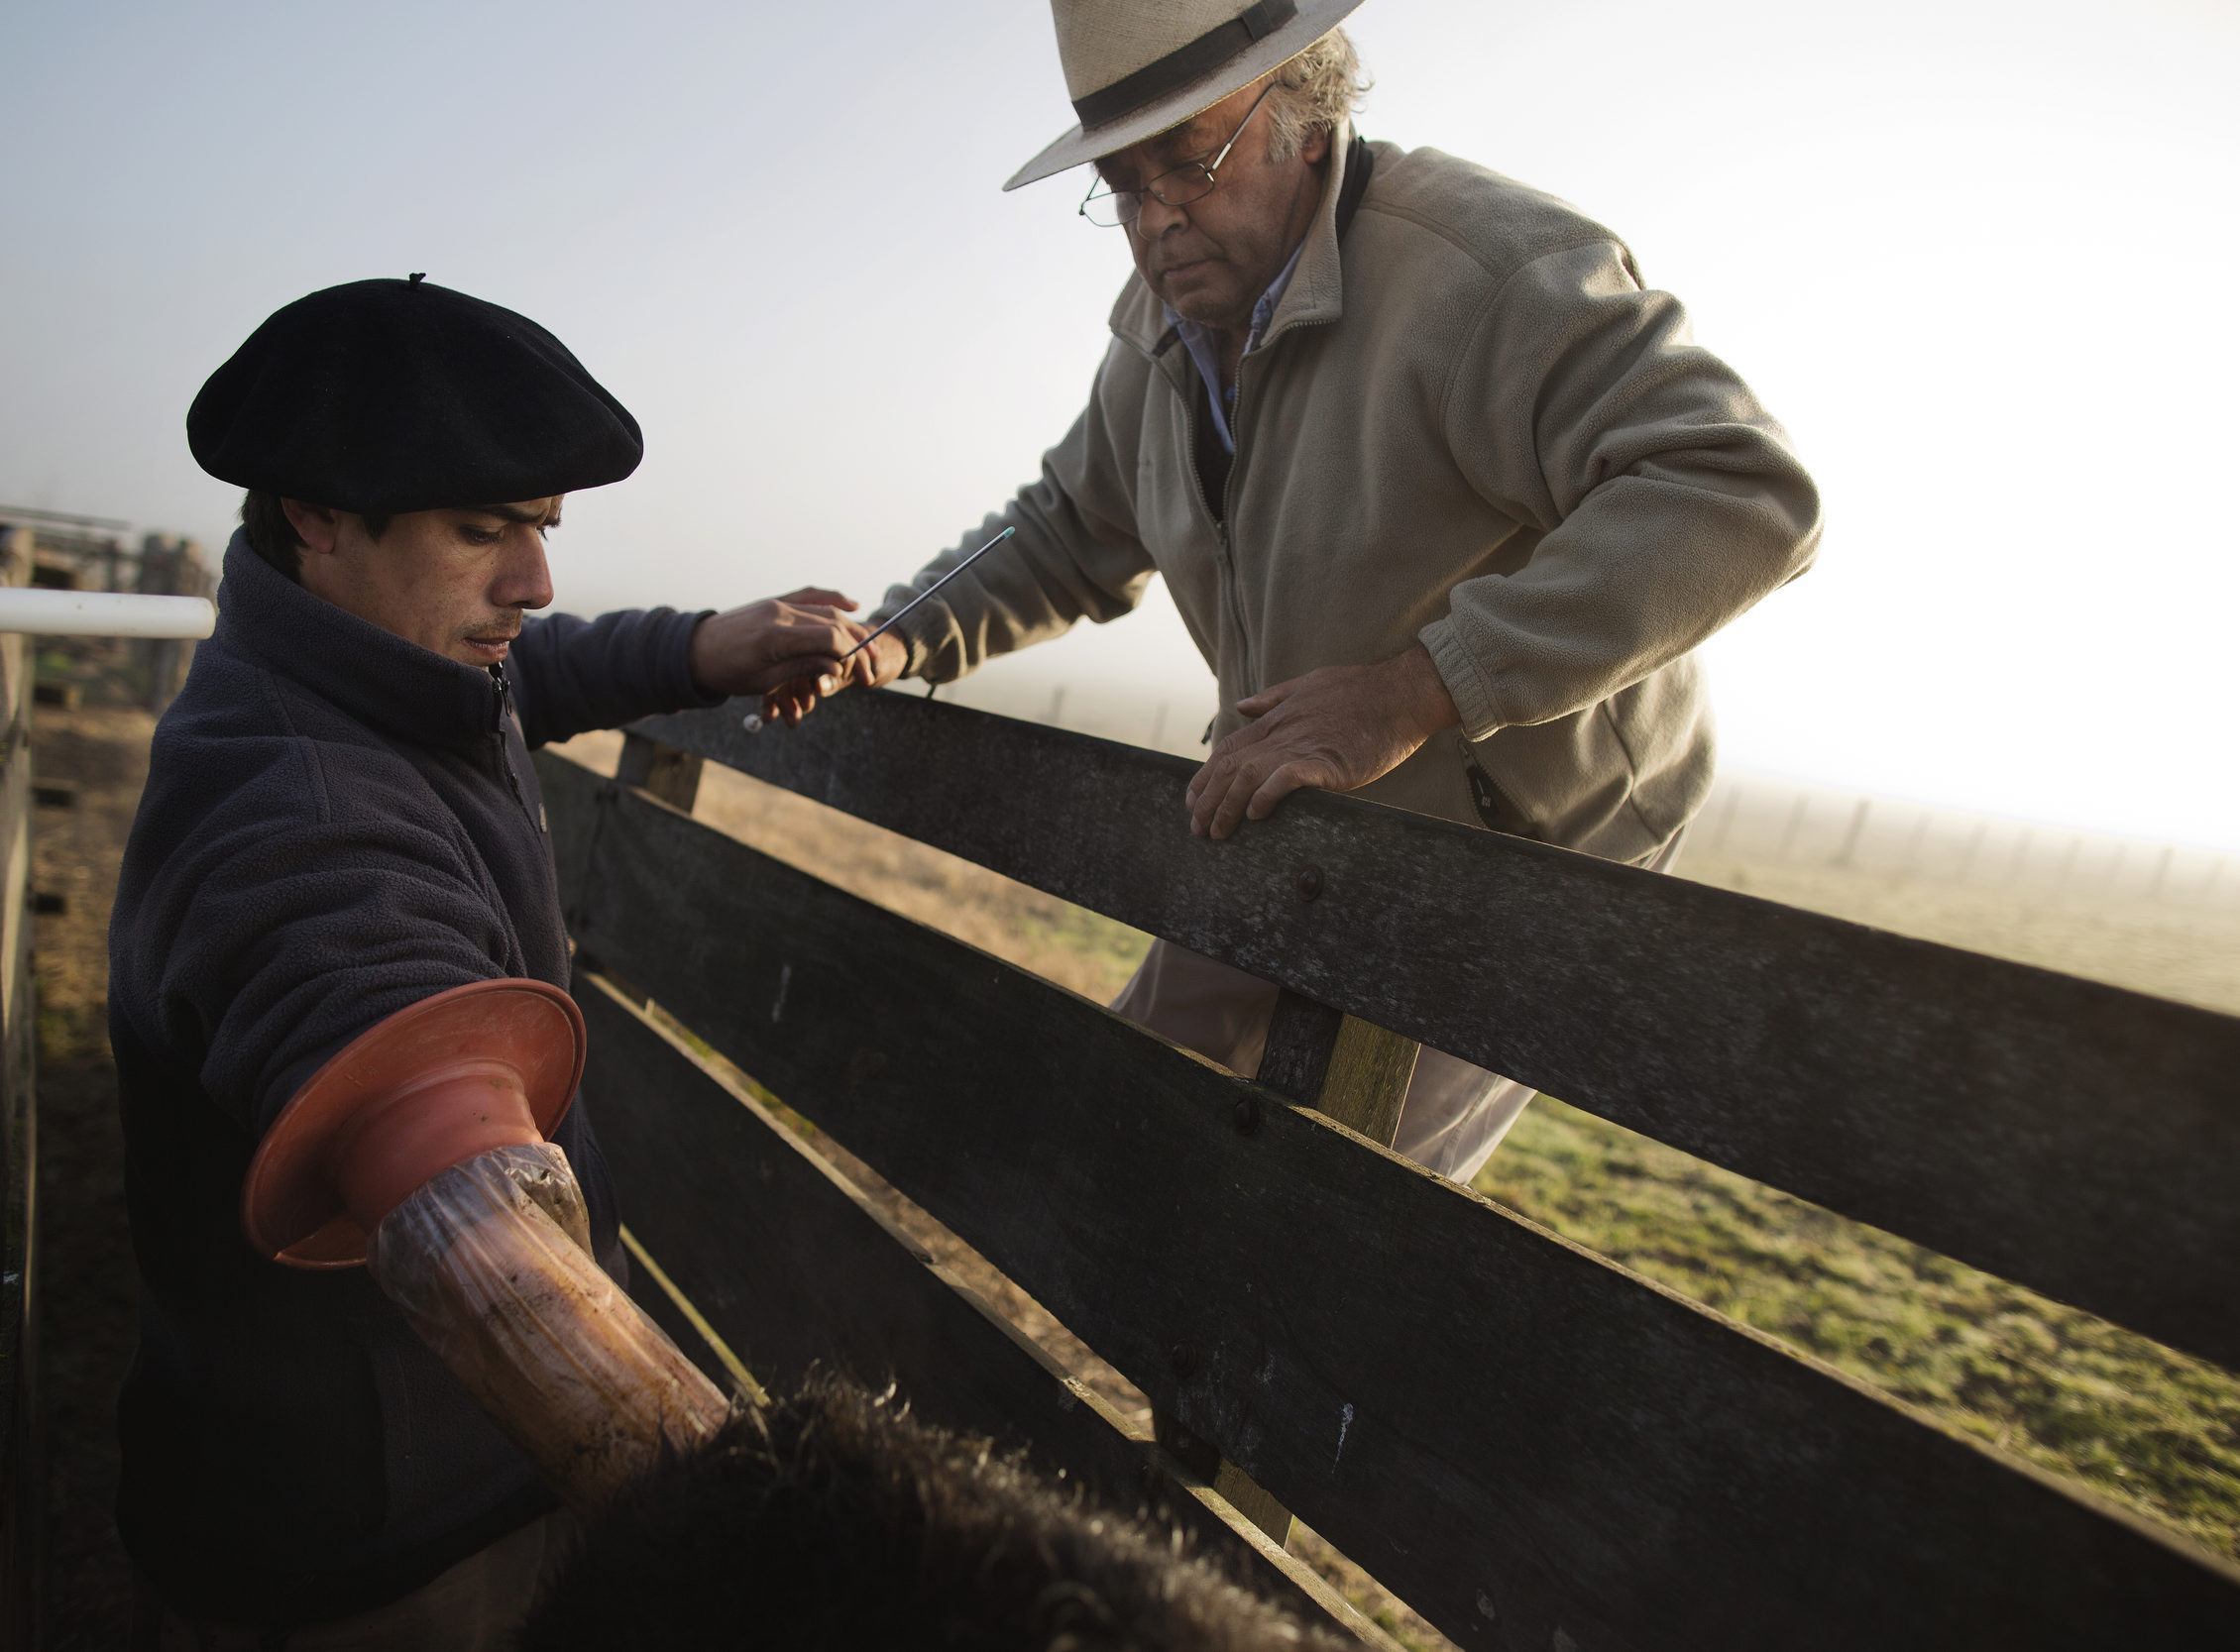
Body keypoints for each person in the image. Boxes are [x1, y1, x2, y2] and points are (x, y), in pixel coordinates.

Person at [844, 1, 1822, 1183]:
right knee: (1132, 1142)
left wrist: (1419, 686)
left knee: (1319, 1224)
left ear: (1306, 111)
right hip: (1285, 805)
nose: (1155, 220)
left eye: (1187, 159)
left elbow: (1737, 486)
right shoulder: (1163, 326)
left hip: (1518, 844)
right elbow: (1064, 525)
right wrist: (887, 640)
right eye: (1121, 181)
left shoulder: (1487, 270)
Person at [109, 275, 876, 1647]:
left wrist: (707, 644)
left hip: (410, 1465)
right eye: (484, 532)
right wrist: (750, 1530)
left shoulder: (363, 662)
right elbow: (413, 1112)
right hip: (391, 1547)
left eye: (540, 527)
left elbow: (542, 668)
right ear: (317, 514)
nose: (534, 580)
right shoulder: (292, 812)